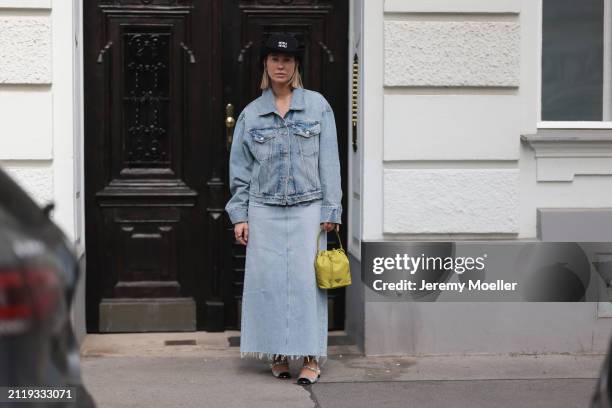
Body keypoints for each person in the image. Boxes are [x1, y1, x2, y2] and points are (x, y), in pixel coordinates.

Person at [225, 33, 342, 385]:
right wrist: (240, 216)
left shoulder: (318, 106)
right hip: (264, 209)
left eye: (287, 60)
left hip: (308, 210)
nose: (281, 65)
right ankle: (277, 353)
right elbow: (240, 170)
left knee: (308, 286)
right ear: (265, 64)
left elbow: (330, 162)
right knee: (270, 284)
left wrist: (330, 210)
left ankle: (310, 357)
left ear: (296, 66)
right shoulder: (251, 114)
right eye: (275, 59)